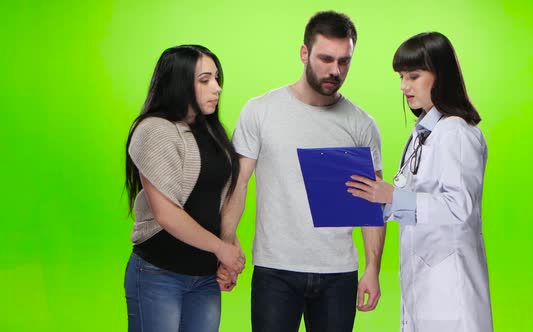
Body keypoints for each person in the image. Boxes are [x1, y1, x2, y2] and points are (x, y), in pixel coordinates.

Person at [217, 11, 385, 332]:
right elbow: (238, 184)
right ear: (304, 53)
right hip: (275, 269)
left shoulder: (362, 125)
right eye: (326, 59)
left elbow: (371, 203)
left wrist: (372, 268)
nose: (335, 70)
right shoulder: (261, 111)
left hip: (339, 272)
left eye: (344, 61)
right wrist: (226, 242)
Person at [346, 32, 493, 331]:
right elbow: (412, 204)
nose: (404, 87)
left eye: (413, 76)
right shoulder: (422, 133)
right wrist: (370, 200)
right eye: (401, 77)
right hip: (422, 287)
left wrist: (391, 198)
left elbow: (459, 209)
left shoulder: (456, 133)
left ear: (442, 76)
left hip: (451, 294)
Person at [123, 44, 245, 332]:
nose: (216, 88)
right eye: (204, 80)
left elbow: (209, 201)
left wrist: (229, 243)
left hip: (204, 278)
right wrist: (220, 248)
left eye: (217, 79)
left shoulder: (213, 134)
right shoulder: (154, 130)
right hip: (158, 274)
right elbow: (166, 214)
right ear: (178, 83)